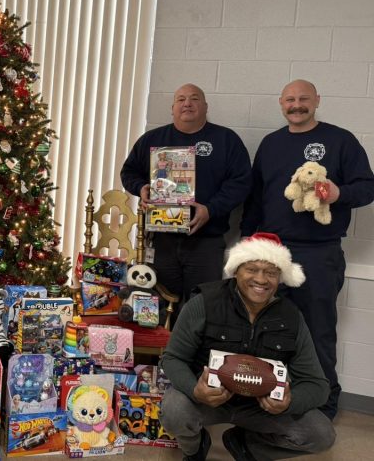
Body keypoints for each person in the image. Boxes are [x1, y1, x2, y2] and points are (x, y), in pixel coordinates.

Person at [241, 79, 374, 420]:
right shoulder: (271, 144)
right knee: (267, 328)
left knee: (317, 330)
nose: (296, 105)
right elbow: (256, 199)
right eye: (289, 99)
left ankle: (323, 406)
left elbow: (367, 187)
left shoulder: (340, 140)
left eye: (303, 99)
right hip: (270, 251)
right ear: (281, 103)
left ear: (317, 100)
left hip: (318, 252)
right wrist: (247, 244)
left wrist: (337, 193)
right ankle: (270, 398)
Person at [159, 233, 336, 461]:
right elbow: (172, 358)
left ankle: (247, 446)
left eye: (271, 272)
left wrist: (289, 401)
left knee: (321, 435)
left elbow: (318, 385)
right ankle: (194, 449)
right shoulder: (204, 302)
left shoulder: (291, 317)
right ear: (236, 270)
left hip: (260, 408)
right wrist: (195, 389)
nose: (261, 280)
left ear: (279, 277)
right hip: (209, 400)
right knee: (174, 411)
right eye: (251, 269)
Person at [121, 83, 251, 320]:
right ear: (173, 108)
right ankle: (158, 357)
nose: (187, 103)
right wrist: (142, 188)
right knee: (156, 306)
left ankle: (195, 357)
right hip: (162, 240)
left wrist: (211, 209)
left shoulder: (226, 140)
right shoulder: (152, 139)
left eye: (194, 99)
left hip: (205, 241)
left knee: (204, 306)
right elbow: (128, 172)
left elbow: (240, 183)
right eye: (181, 99)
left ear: (205, 106)